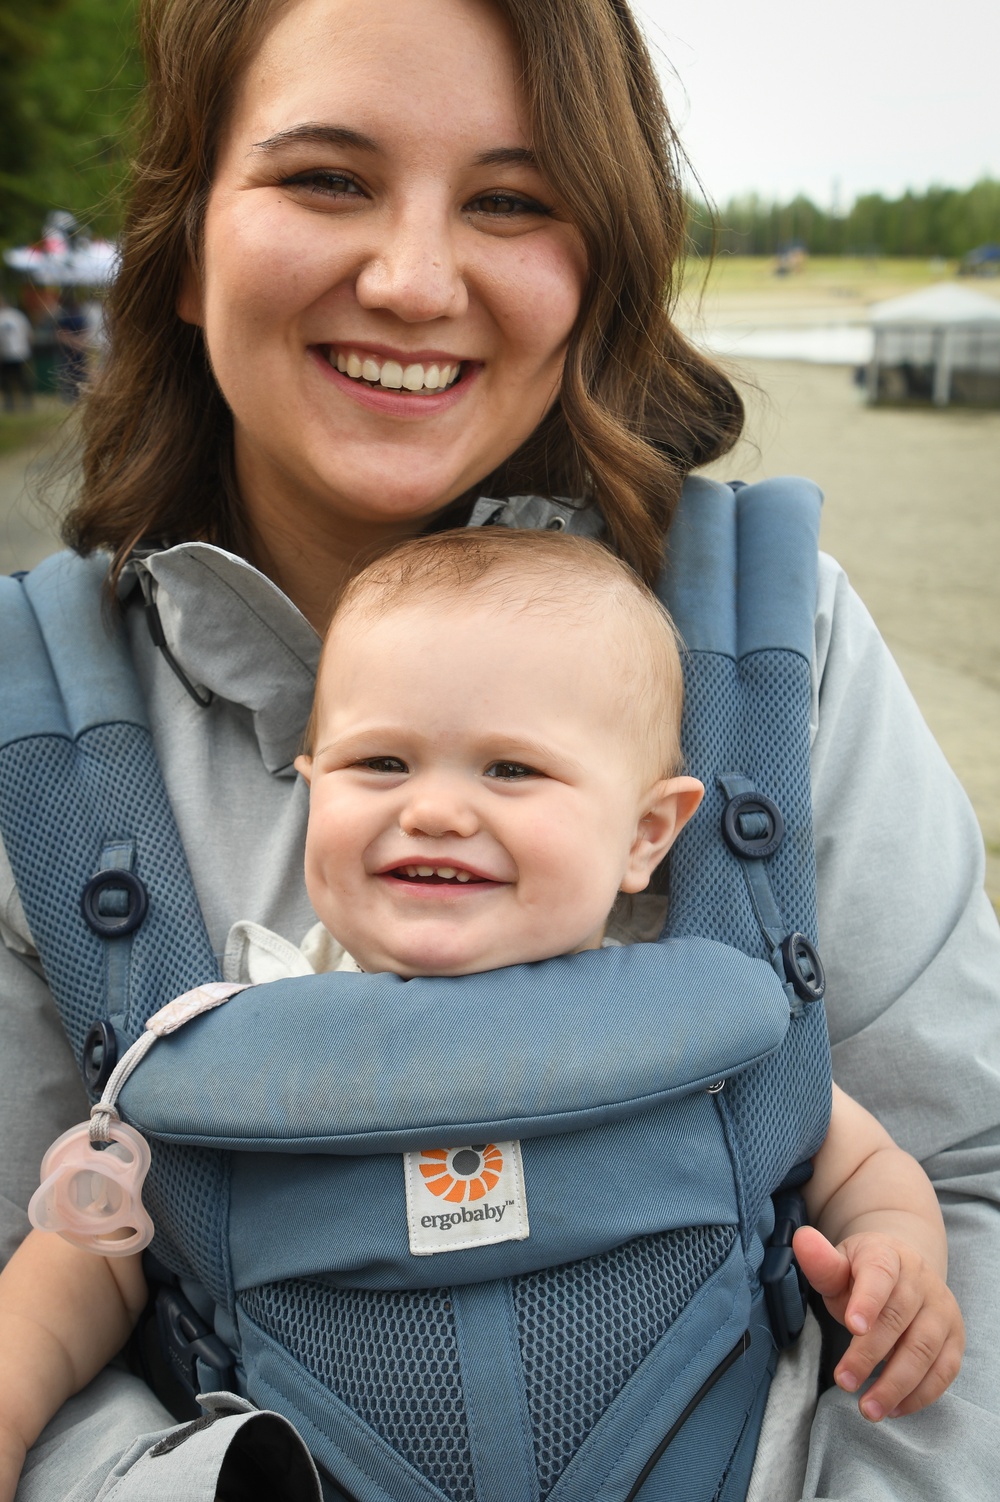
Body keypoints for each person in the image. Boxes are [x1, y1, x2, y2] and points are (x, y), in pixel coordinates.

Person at [0, 0, 996, 1499]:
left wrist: (896, 1273)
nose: (410, 280)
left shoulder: (779, 649)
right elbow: (61, 1257)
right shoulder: (41, 751)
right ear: (186, 237)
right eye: (326, 178)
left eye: (512, 200)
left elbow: (950, 1170)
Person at [0, 530, 967, 1501]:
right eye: (380, 762)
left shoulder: (695, 1037)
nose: (435, 809)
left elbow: (858, 1158)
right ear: (310, 785)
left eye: (509, 770)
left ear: (644, 835)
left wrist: (894, 1252)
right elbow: (91, 1256)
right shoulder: (237, 1034)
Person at [0, 293, 34, 413]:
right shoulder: (14, 315)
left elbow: (28, 333)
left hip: (17, 352)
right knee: (9, 380)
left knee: (20, 378)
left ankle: (26, 401)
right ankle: (12, 403)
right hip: (10, 354)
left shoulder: (15, 315)